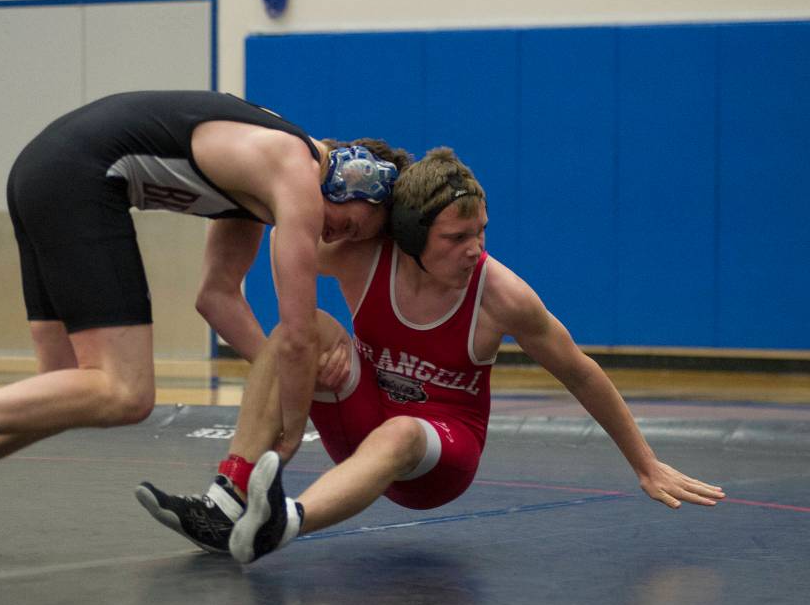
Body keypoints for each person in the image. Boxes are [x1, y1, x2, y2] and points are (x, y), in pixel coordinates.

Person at [0, 90, 411, 550]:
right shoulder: (296, 171)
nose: (336, 237)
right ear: (356, 179)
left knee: (65, 391)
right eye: (354, 226)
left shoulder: (259, 176)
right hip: (78, 175)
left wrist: (278, 379)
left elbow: (217, 299)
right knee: (126, 391)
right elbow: (297, 335)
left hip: (43, 169)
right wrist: (289, 428)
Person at [137, 146, 725, 563]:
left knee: (401, 435)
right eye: (456, 239)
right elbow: (271, 215)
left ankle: (283, 522)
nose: (475, 250)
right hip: (361, 417)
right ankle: (229, 495)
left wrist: (645, 464)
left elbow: (581, 372)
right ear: (413, 238)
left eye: (481, 233)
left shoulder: (501, 296)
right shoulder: (361, 256)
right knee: (305, 326)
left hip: (442, 454)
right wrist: (228, 199)